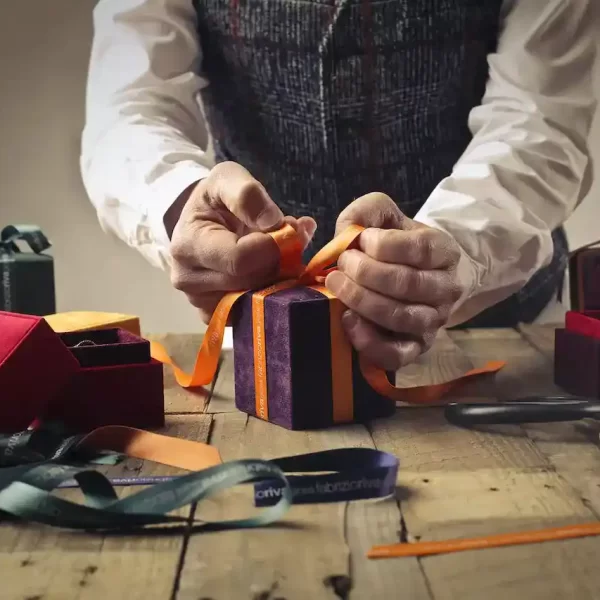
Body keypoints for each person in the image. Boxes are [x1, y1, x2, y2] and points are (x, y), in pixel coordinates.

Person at [81, 0, 597, 372]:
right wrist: (177, 204)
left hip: (508, 335)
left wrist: (458, 251)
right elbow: (127, 108)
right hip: (271, 343)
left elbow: (541, 120)